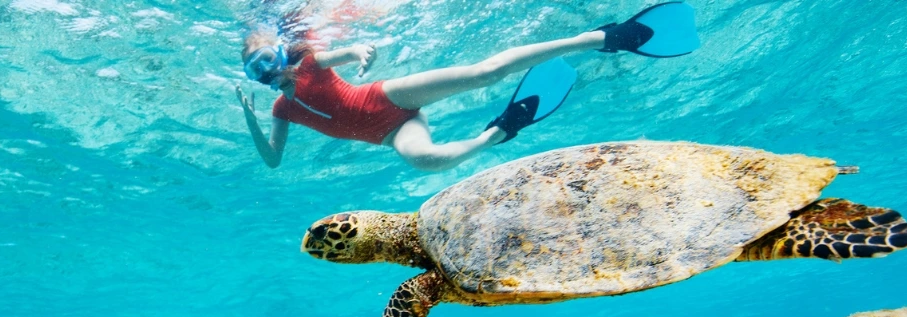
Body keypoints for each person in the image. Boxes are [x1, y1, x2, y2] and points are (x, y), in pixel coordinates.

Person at [237, 2, 700, 171]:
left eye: (267, 60)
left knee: (485, 73)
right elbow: (273, 161)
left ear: (281, 54)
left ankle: (601, 38)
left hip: (389, 96)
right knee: (426, 162)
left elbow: (350, 52)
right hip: (390, 133)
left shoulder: (314, 64)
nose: (267, 72)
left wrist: (360, 54)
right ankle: (500, 130)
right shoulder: (280, 112)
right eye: (257, 70)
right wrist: (250, 120)